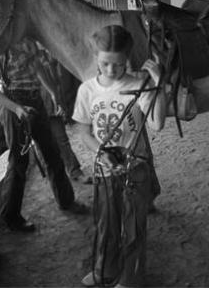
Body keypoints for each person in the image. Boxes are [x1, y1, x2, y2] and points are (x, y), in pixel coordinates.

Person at [73, 25, 166, 288]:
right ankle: (104, 271)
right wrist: (100, 153)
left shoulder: (139, 84)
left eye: (118, 64)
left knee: (132, 227)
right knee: (106, 224)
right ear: (95, 58)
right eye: (105, 64)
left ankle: (129, 280)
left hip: (134, 170)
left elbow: (157, 123)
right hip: (104, 169)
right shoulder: (87, 90)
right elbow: (82, 129)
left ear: (127, 59)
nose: (112, 70)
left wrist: (159, 84)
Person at [0, 38, 87, 233]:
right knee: (19, 161)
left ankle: (66, 201)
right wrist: (16, 109)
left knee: (53, 153)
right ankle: (11, 216)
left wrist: (53, 93)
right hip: (14, 104)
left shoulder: (26, 43)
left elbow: (38, 68)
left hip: (36, 101)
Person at [38, 50, 92, 184]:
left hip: (60, 101)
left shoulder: (58, 53)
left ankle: (74, 171)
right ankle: (71, 171)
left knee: (63, 139)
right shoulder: (33, 57)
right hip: (43, 104)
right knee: (56, 141)